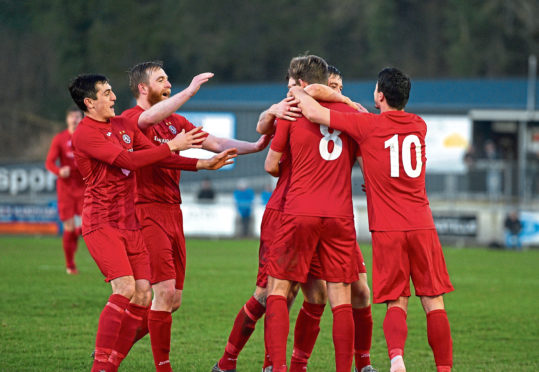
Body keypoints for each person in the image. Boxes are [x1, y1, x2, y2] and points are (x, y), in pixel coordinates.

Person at [289, 67, 454, 372]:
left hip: (389, 227)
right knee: (433, 301)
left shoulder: (366, 125)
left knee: (396, 301)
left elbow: (312, 112)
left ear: (379, 95)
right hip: (422, 223)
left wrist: (296, 90)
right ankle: (444, 369)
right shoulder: (419, 125)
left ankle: (396, 359)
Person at [69, 73, 236, 372]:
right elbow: (128, 161)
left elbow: (154, 158)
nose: (114, 98)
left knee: (145, 294)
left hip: (130, 223)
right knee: (124, 288)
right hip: (102, 222)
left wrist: (200, 163)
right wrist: (173, 145)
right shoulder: (84, 134)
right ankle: (100, 367)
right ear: (89, 102)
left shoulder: (122, 126)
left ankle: (109, 364)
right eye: (106, 94)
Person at [121, 61, 269, 371]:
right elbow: (149, 124)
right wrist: (190, 90)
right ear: (143, 88)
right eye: (160, 79)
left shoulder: (176, 122)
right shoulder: (132, 119)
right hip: (145, 209)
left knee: (172, 301)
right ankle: (163, 367)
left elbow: (216, 143)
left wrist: (255, 146)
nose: (167, 83)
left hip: (173, 211)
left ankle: (112, 346)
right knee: (161, 293)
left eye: (168, 78)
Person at [264, 55, 361, 372]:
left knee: (278, 290)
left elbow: (270, 166)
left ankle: (278, 367)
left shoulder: (291, 112)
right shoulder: (352, 113)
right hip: (339, 215)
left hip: (300, 210)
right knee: (340, 298)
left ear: (302, 84)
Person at [45, 106, 85, 274]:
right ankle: (70, 265)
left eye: (78, 117)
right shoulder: (60, 139)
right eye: (72, 117)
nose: (75, 120)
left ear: (82, 119)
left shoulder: (87, 138)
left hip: (85, 187)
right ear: (67, 119)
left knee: (88, 224)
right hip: (66, 188)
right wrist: (59, 171)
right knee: (68, 227)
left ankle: (77, 233)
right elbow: (49, 162)